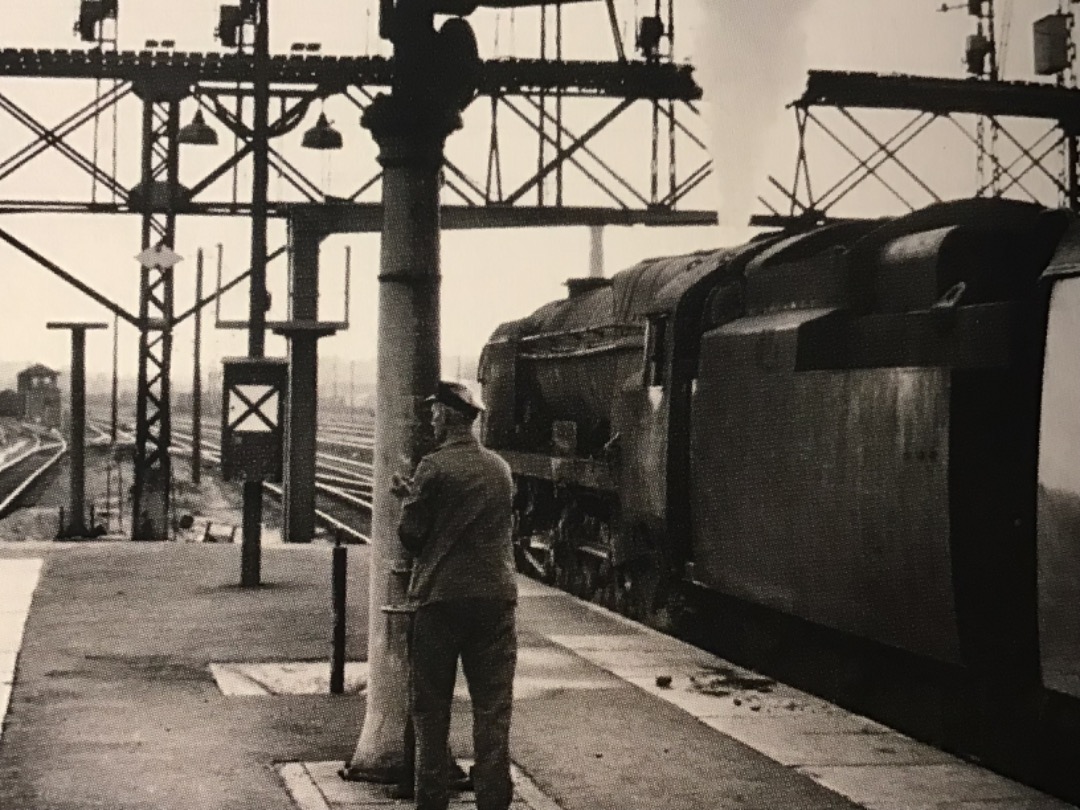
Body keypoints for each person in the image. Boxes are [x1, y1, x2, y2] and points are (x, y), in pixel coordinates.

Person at [397, 380, 518, 810]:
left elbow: (412, 535)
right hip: (495, 602)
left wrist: (410, 500)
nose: (430, 419)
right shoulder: (500, 468)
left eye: (434, 413)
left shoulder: (433, 468)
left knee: (431, 714)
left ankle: (432, 802)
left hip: (440, 602)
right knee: (493, 710)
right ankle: (493, 801)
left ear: (448, 417)